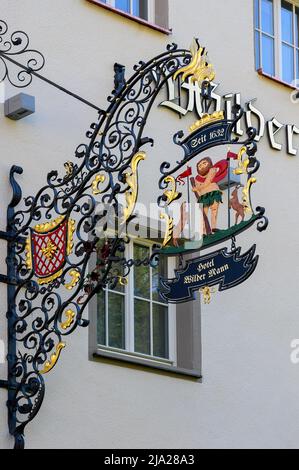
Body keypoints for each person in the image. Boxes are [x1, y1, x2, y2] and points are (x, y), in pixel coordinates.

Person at [192, 154, 237, 235]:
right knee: (204, 214)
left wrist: (197, 188)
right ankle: (203, 231)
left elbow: (207, 181)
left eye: (204, 163)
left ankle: (213, 227)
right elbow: (197, 188)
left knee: (214, 210)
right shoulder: (197, 178)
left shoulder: (212, 170)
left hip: (213, 192)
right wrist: (198, 193)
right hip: (204, 196)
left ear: (209, 163)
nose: (202, 166)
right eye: (199, 165)